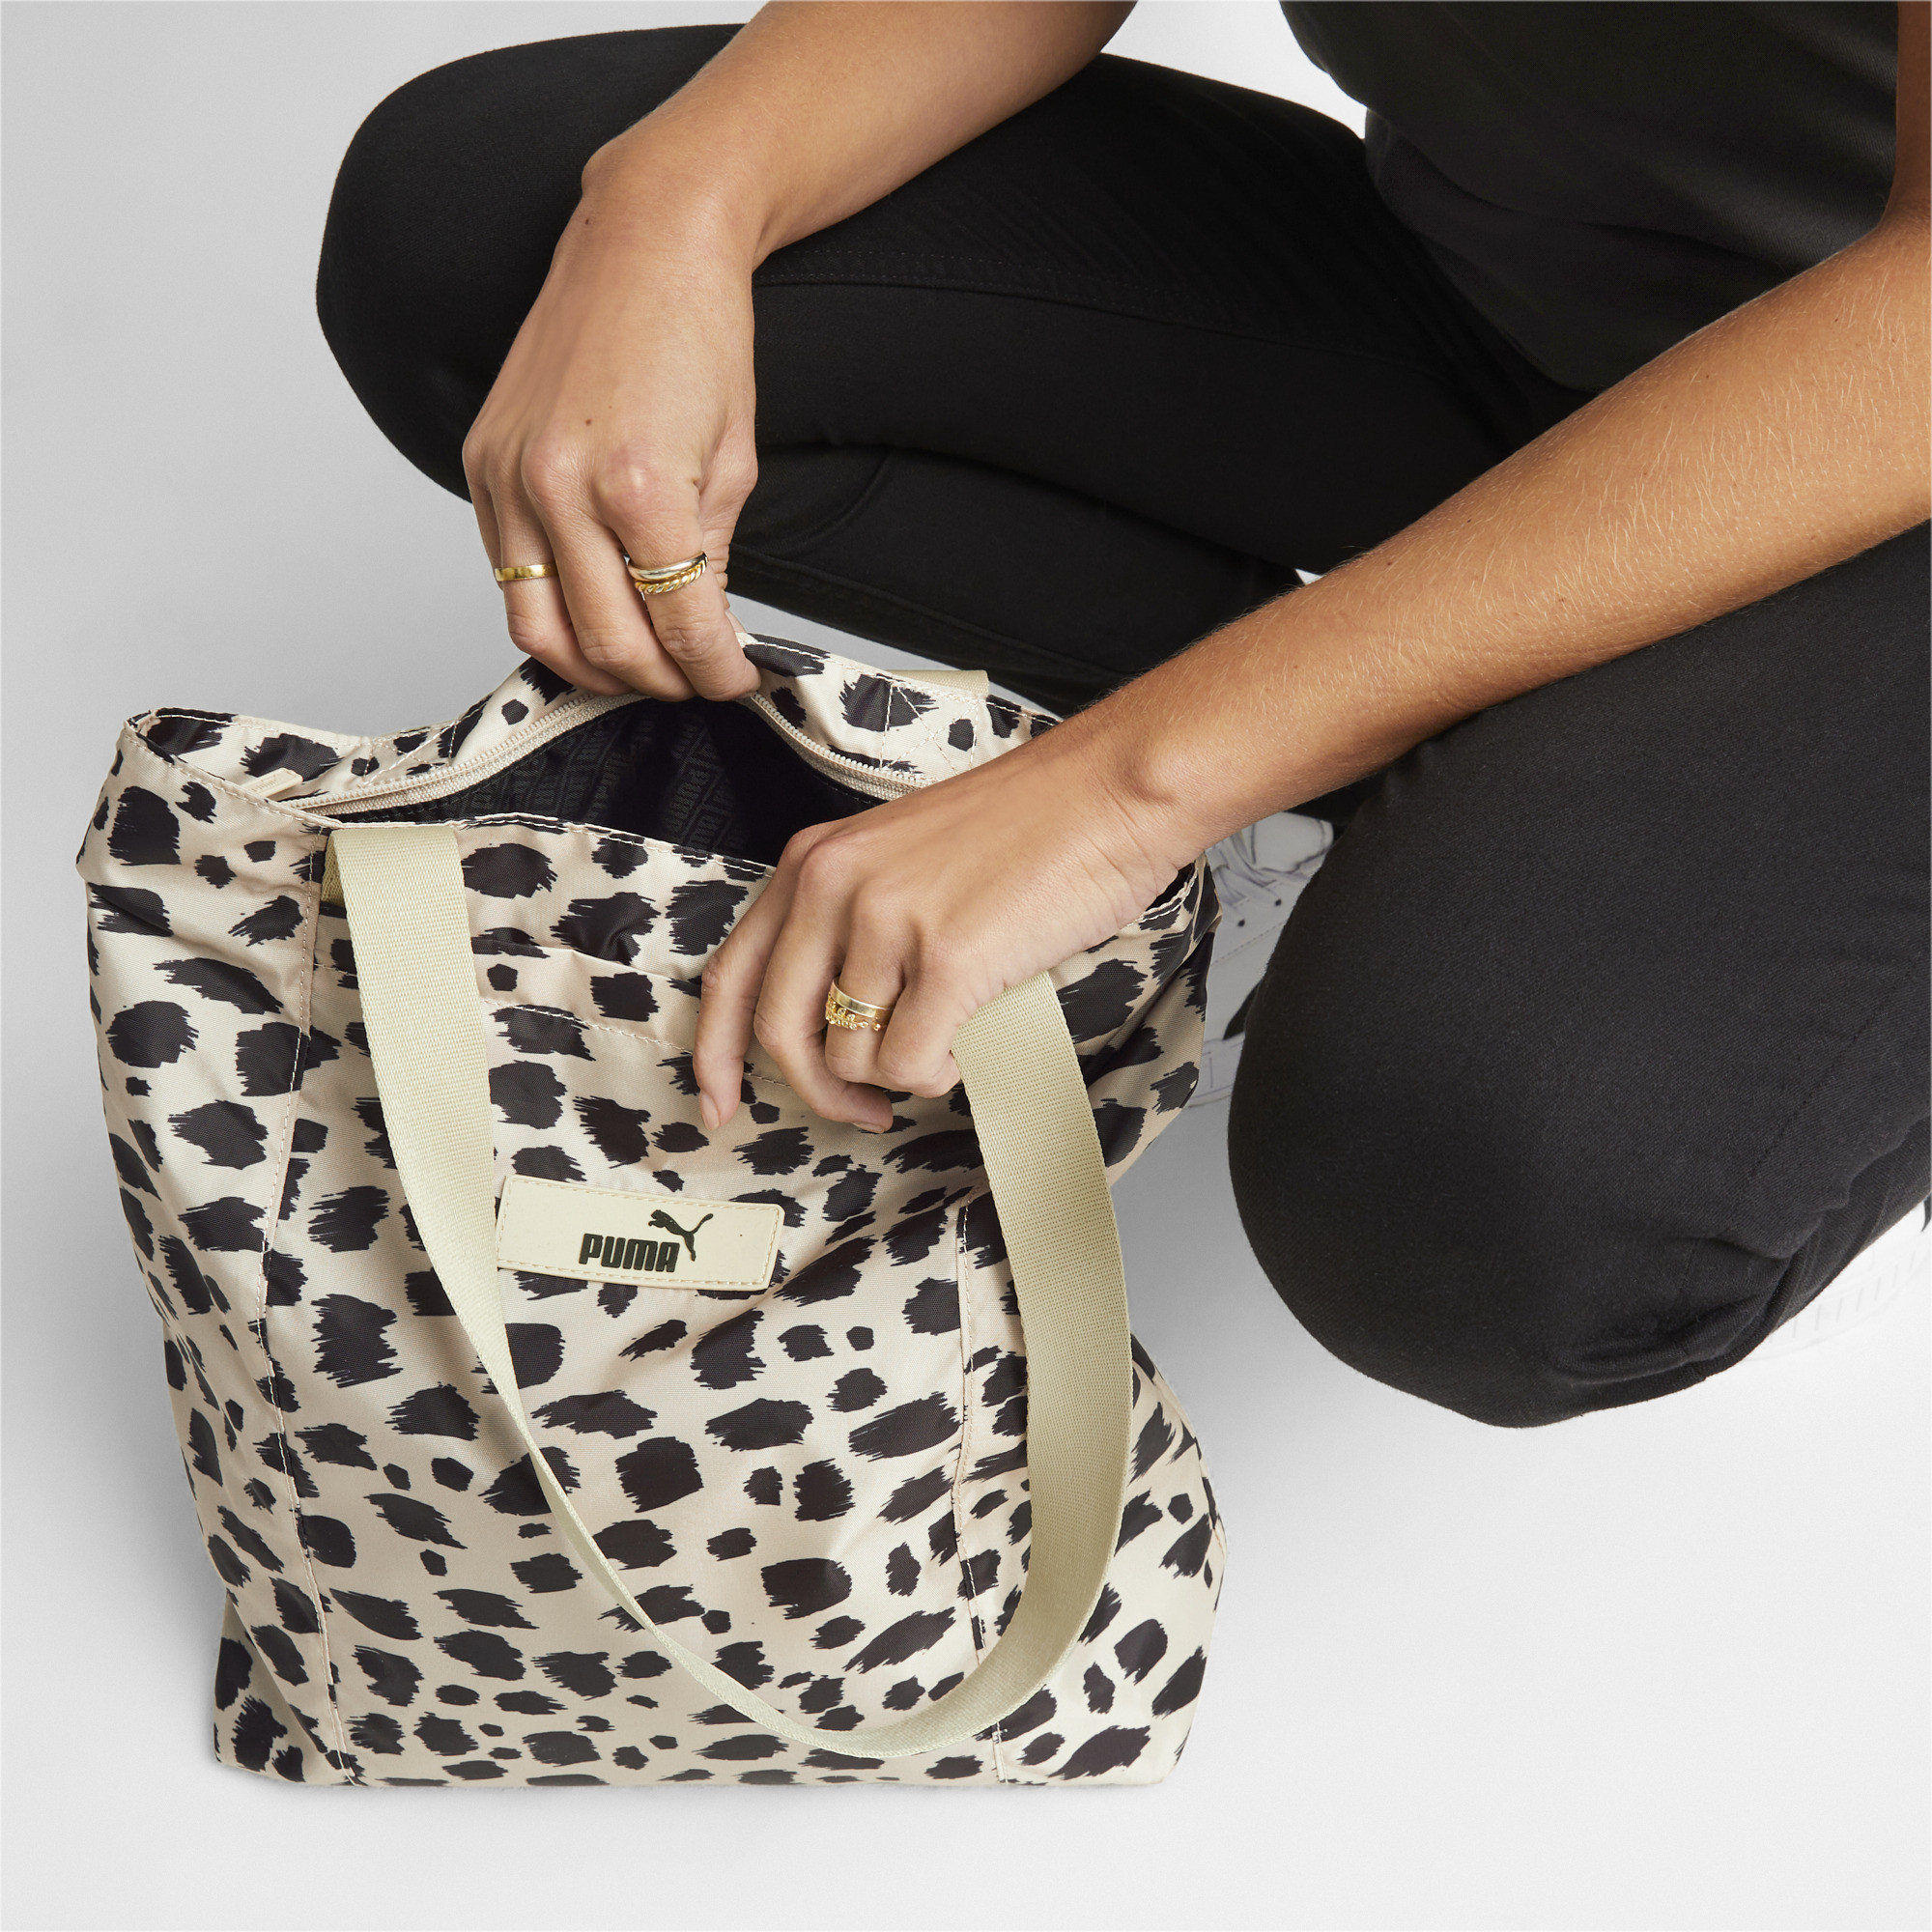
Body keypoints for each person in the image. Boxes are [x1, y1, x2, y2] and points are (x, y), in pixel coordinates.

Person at [317, 2, 1929, 1427]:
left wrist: (1119, 796)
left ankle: (1792, 1009)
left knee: (1472, 1217)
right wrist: (670, 211)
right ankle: (1419, 764)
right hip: (1524, 322)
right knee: (489, 247)